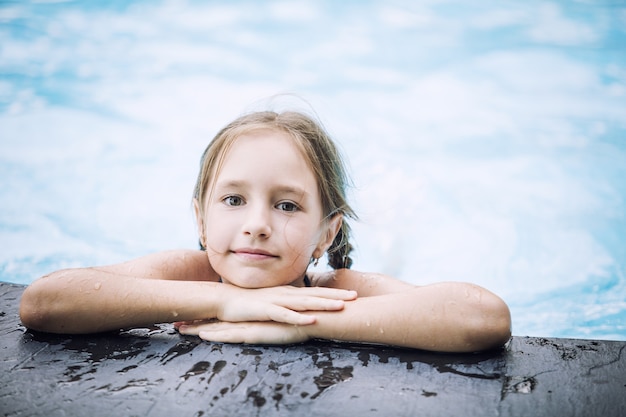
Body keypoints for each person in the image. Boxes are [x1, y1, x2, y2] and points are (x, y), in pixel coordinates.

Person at [19, 109, 511, 353]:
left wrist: (301, 322)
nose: (256, 226)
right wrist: (226, 303)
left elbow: (482, 317)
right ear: (200, 219)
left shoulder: (336, 289)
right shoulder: (188, 274)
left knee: (395, 269)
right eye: (233, 200)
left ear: (325, 234)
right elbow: (43, 303)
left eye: (287, 205)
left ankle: (395, 232)